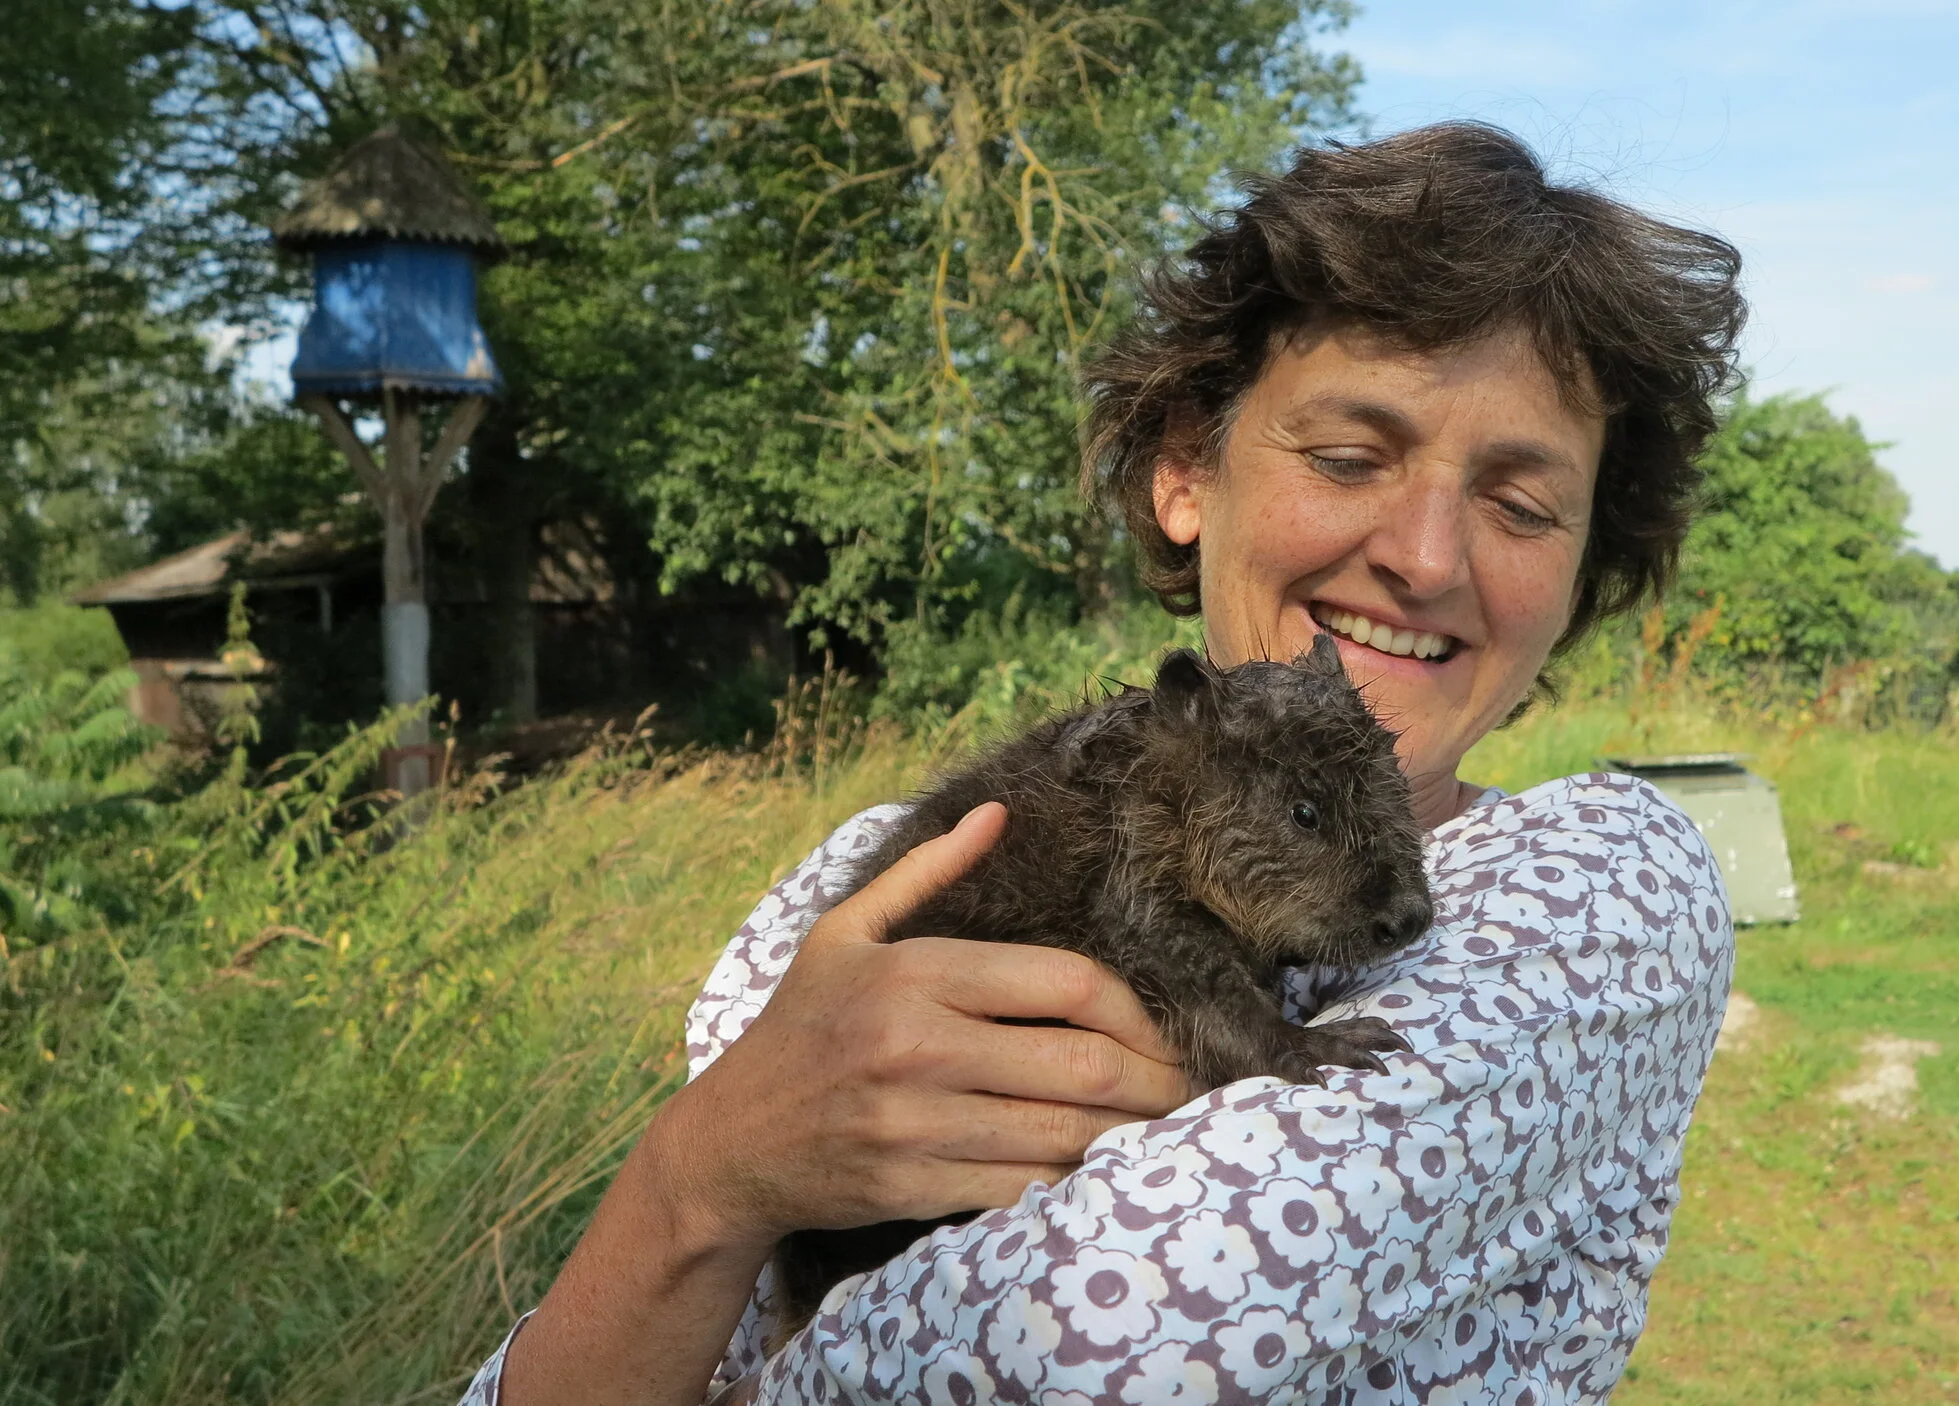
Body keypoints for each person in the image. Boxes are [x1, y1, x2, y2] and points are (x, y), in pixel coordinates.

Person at [465, 120, 1746, 1406]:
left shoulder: (1597, 890)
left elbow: (1111, 1341)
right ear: (1187, 473)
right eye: (1350, 456)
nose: (1425, 556)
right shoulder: (869, 880)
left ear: (1581, 572)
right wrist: (696, 1177)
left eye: (1521, 505)